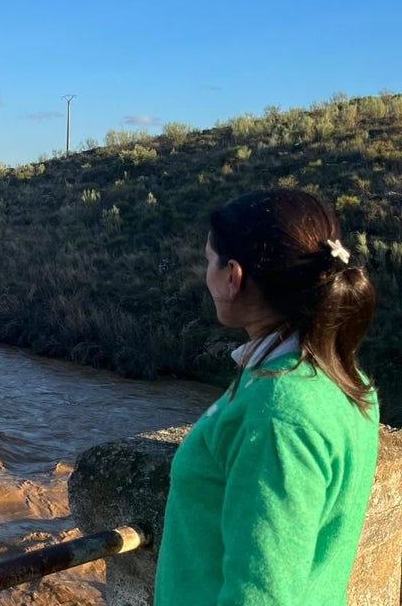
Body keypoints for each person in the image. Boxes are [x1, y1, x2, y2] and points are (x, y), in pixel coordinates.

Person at [154, 188, 379, 605]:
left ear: (232, 276)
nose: (206, 273)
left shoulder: (278, 414)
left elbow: (261, 594)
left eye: (208, 260)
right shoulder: (342, 377)